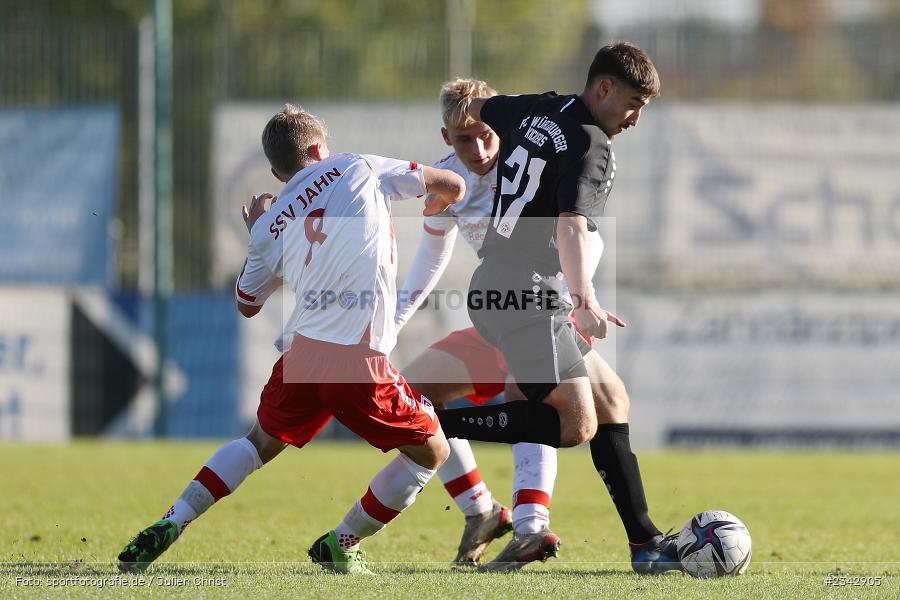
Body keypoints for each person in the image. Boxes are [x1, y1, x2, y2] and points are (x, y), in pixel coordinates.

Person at [117, 104, 465, 575]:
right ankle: (342, 542)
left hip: (302, 356)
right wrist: (440, 200)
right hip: (360, 359)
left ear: (278, 172)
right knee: (434, 450)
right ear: (320, 148)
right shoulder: (357, 165)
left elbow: (246, 303)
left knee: (258, 441)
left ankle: (174, 519)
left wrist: (259, 231)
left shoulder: (271, 223)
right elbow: (452, 185)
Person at [433, 43, 682, 574]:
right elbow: (570, 224)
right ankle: (435, 422)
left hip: (509, 286)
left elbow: (478, 110)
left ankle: (645, 543)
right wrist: (585, 300)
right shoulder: (592, 145)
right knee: (573, 425)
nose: (636, 117)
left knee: (611, 397)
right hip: (524, 293)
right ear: (605, 89)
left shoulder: (533, 107)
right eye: (634, 102)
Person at [396, 78, 602, 570]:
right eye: (464, 138)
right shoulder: (446, 180)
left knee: (573, 407)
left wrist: (579, 296)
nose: (480, 146)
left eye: (487, 133)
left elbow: (584, 231)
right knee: (413, 394)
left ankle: (541, 527)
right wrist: (397, 317)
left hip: (547, 307)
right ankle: (482, 510)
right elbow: (433, 254)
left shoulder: (531, 158)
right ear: (446, 138)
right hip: (497, 311)